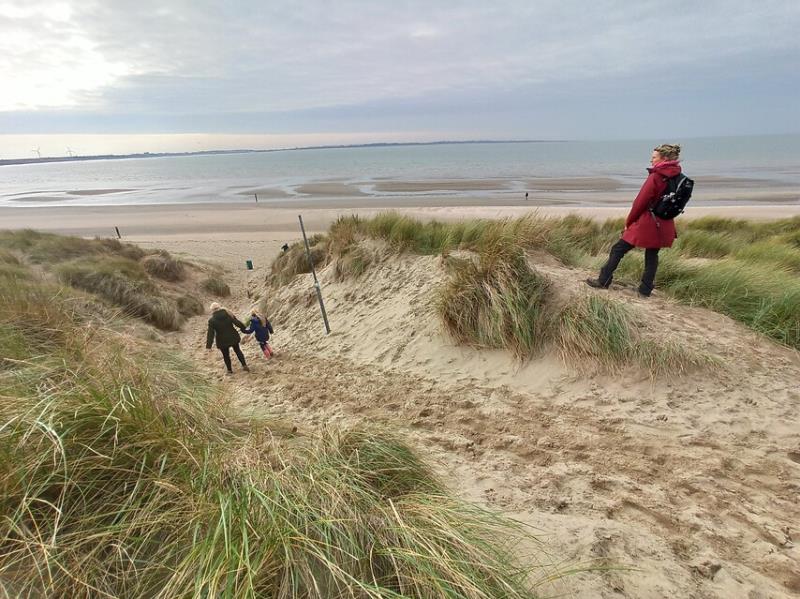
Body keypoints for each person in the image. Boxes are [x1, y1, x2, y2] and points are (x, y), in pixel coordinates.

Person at [586, 143, 682, 297]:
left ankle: (603, 280)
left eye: (654, 158)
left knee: (618, 248)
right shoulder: (677, 176)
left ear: (663, 158)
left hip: (648, 222)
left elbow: (640, 202)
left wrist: (629, 222)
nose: (651, 161)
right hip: (665, 222)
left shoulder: (656, 176)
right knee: (652, 255)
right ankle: (645, 290)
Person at [206, 302, 250, 374]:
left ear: (212, 310)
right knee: (238, 351)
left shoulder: (211, 320)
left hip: (222, 340)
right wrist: (243, 328)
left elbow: (210, 333)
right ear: (220, 307)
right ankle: (244, 365)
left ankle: (229, 370)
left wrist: (209, 346)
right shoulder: (228, 314)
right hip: (233, 337)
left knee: (226, 355)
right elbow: (236, 322)